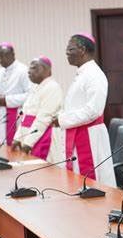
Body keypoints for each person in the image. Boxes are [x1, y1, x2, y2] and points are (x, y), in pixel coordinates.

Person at [51, 33, 116, 187]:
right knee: (80, 181)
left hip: (90, 137)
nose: (66, 52)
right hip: (80, 132)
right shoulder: (83, 74)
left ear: (82, 49)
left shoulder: (94, 75)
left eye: (70, 48)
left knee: (92, 184)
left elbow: (93, 110)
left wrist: (62, 120)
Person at [11, 56, 62, 160]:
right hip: (28, 138)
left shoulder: (53, 87)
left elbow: (44, 118)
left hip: (44, 138)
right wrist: (17, 138)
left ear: (46, 70)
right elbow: (25, 118)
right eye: (29, 68)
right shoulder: (34, 87)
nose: (29, 71)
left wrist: (28, 143)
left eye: (34, 68)